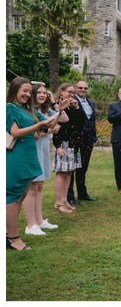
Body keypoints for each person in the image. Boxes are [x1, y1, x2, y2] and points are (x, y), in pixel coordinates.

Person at [8, 78, 59, 249]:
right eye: (25, 91)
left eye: (29, 92)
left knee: (21, 197)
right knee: (14, 198)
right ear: (14, 90)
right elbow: (14, 132)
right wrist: (38, 125)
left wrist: (60, 107)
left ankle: (9, 233)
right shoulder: (9, 108)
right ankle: (13, 238)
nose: (27, 94)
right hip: (17, 157)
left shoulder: (28, 109)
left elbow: (50, 123)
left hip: (29, 156)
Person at [24, 82, 59, 236]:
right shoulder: (27, 111)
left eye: (45, 92)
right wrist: (50, 129)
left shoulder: (44, 110)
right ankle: (30, 224)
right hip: (32, 150)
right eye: (39, 92)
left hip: (43, 148)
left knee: (39, 186)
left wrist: (54, 103)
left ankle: (39, 220)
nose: (42, 95)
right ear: (32, 94)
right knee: (31, 187)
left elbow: (62, 118)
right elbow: (35, 133)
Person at [51, 83, 82, 212]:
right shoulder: (57, 106)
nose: (72, 94)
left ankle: (64, 200)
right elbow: (56, 127)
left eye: (73, 92)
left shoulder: (72, 106)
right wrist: (57, 146)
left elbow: (80, 122)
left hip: (73, 143)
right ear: (62, 92)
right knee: (61, 173)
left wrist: (77, 107)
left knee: (69, 173)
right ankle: (59, 203)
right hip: (62, 142)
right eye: (69, 92)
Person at [72, 80, 98, 203]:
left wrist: (94, 137)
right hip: (75, 139)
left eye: (85, 88)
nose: (83, 90)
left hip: (88, 140)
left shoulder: (91, 103)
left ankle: (82, 193)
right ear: (75, 88)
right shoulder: (72, 102)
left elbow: (92, 121)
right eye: (80, 87)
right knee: (71, 169)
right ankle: (69, 196)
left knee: (83, 167)